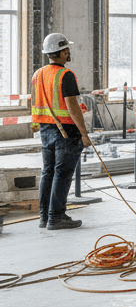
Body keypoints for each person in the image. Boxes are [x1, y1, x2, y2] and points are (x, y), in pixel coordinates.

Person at [32, 33, 92, 230]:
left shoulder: (38, 74)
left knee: (48, 172)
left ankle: (45, 217)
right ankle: (56, 217)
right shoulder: (65, 75)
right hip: (66, 131)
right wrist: (84, 134)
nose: (69, 53)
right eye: (67, 50)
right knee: (62, 174)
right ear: (63, 51)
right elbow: (72, 106)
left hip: (45, 129)